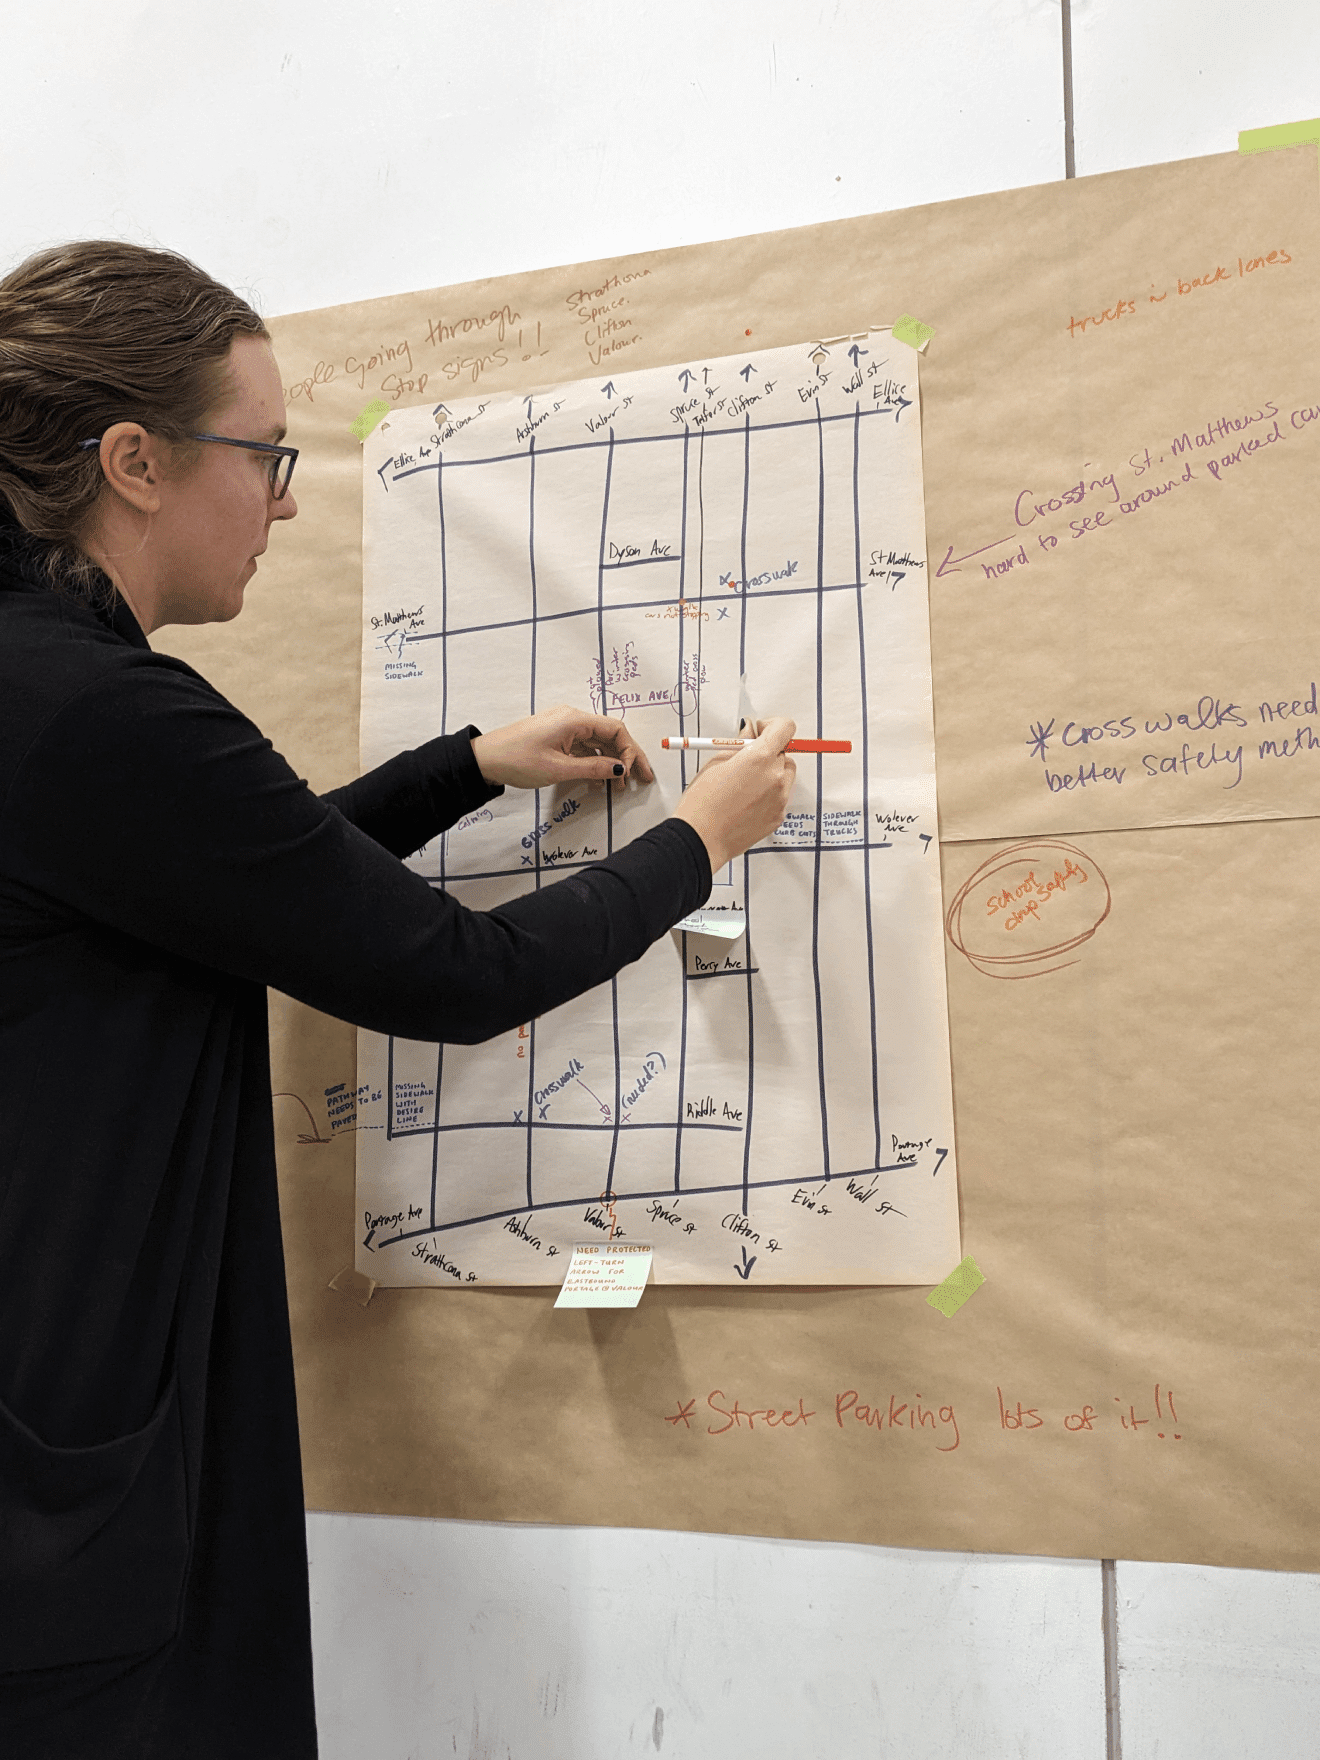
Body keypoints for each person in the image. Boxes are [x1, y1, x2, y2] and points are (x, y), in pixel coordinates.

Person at [0, 241, 796, 1757]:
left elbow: (231, 875)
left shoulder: (46, 689)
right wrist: (703, 838)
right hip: (63, 1497)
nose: (288, 499)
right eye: (266, 454)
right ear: (134, 461)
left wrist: (463, 768)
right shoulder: (91, 710)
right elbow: (451, 972)